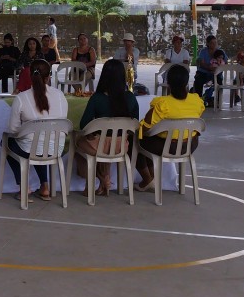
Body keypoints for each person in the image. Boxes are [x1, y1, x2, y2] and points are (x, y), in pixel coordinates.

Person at [5, 58, 69, 201]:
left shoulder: (21, 98)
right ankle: (44, 186)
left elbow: (13, 130)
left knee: (7, 142)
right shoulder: (60, 96)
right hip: (55, 149)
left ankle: (24, 187)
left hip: (31, 150)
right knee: (41, 144)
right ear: (49, 77)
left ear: (30, 76)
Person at [75, 59, 140, 196]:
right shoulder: (130, 97)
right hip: (121, 146)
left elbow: (84, 124)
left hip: (99, 146)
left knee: (78, 144)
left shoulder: (97, 98)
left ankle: (96, 180)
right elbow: (135, 123)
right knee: (106, 142)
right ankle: (104, 180)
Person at [137, 63, 204, 191]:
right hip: (190, 145)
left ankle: (148, 179)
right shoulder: (197, 101)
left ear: (168, 83)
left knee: (137, 139)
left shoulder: (162, 104)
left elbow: (145, 127)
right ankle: (152, 179)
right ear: (187, 83)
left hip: (166, 147)